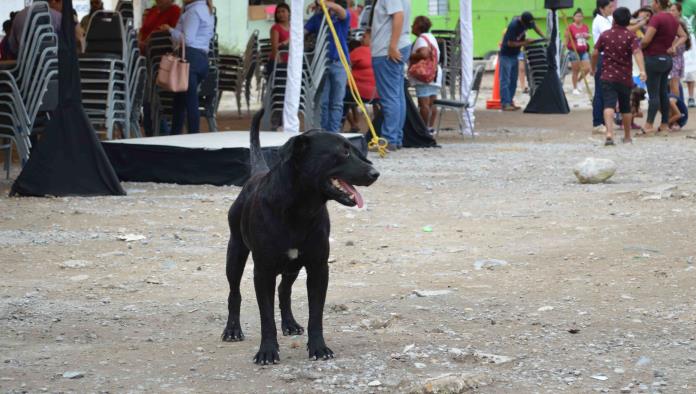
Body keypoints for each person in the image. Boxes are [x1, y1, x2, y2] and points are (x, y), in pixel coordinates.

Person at [591, 7, 646, 146]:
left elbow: (595, 53)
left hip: (607, 76)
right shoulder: (631, 36)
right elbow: (637, 52)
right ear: (628, 21)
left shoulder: (605, 35)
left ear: (614, 19)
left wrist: (593, 68)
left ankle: (609, 133)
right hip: (624, 77)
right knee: (625, 107)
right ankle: (627, 137)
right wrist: (642, 70)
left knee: (608, 105)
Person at [160, 0, 214, 135]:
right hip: (200, 59)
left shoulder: (193, 11)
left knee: (189, 100)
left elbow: (188, 39)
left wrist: (170, 30)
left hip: (191, 58)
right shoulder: (205, 9)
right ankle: (175, 136)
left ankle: (193, 137)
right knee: (180, 99)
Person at [641, 0, 687, 135]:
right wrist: (673, 46)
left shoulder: (656, 18)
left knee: (653, 94)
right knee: (663, 93)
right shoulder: (672, 18)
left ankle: (648, 125)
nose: (651, 4)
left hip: (653, 59)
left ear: (657, 3)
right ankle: (664, 125)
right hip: (667, 60)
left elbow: (646, 40)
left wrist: (639, 47)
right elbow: (684, 35)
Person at [370, 0, 411, 151]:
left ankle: (389, 139)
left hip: (387, 49)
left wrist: (392, 45)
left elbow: (398, 15)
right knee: (397, 95)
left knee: (390, 97)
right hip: (397, 45)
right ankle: (395, 138)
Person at [305, 0, 351, 133]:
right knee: (324, 101)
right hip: (323, 64)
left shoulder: (340, 17)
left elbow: (342, 11)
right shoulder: (317, 18)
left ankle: (334, 132)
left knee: (337, 102)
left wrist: (325, 4)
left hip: (339, 63)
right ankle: (325, 132)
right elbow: (303, 32)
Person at [140, 0, 181, 136]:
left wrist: (151, 38)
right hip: (146, 58)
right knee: (147, 95)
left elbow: (175, 36)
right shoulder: (153, 10)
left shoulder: (175, 11)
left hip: (163, 61)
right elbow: (143, 30)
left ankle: (162, 130)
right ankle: (150, 130)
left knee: (159, 96)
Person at [498, 12, 545, 111]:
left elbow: (535, 26)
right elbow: (510, 43)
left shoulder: (527, 22)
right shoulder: (513, 26)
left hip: (515, 54)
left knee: (513, 80)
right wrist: (525, 42)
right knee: (505, 80)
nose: (527, 27)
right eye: (526, 25)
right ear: (521, 21)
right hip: (506, 55)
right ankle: (505, 104)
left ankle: (510, 102)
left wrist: (543, 37)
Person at [409, 16, 441, 131]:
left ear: (418, 26)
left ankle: (423, 129)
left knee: (424, 104)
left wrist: (409, 56)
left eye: (413, 24)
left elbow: (424, 54)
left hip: (424, 74)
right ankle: (430, 128)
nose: (411, 26)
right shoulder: (430, 37)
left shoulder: (421, 39)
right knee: (431, 102)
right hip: (434, 72)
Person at [345, 29, 378, 132]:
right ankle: (376, 127)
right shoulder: (379, 52)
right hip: (377, 94)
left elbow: (345, 64)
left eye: (364, 37)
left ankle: (353, 124)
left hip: (359, 93)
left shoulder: (360, 51)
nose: (361, 39)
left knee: (338, 97)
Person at [591, 0, 615, 134]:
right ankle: (597, 122)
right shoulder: (599, 21)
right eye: (609, 7)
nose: (612, 9)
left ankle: (606, 120)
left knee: (609, 91)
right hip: (602, 57)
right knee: (600, 90)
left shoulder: (609, 18)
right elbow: (613, 34)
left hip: (610, 58)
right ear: (602, 9)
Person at [566, 8, 591, 95]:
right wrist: (566, 49)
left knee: (587, 68)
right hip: (574, 51)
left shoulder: (585, 26)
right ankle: (575, 88)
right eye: (577, 16)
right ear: (573, 17)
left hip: (584, 50)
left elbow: (588, 37)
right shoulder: (570, 27)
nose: (579, 17)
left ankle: (579, 81)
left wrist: (587, 36)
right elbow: (566, 38)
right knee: (575, 70)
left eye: (581, 16)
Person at [670, 3, 691, 96]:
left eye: (673, 10)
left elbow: (673, 49)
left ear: (679, 12)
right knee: (676, 85)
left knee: (674, 86)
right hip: (679, 61)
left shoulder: (678, 27)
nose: (671, 12)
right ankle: (679, 106)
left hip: (675, 61)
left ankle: (677, 107)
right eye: (670, 10)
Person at [268, 3, 290, 73]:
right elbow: (274, 48)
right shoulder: (276, 28)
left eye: (283, 11)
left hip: (290, 62)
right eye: (278, 12)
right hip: (278, 63)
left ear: (289, 13)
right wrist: (280, 63)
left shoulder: (293, 27)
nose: (280, 14)